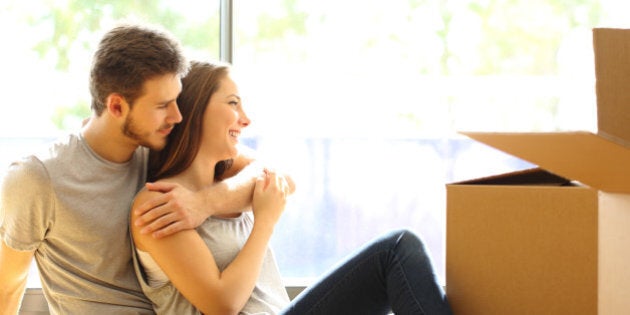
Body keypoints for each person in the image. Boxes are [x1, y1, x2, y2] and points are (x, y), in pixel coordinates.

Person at [130, 60, 453, 315]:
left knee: (397, 252)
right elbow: (221, 304)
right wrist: (264, 223)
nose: (245, 119)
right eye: (233, 103)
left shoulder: (227, 175)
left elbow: (283, 178)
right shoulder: (158, 203)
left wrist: (206, 203)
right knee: (395, 250)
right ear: (196, 110)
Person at [0, 24, 261, 315]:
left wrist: (205, 203)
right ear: (116, 106)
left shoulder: (159, 143)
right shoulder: (37, 178)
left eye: (177, 100)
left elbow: (268, 175)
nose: (177, 116)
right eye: (163, 105)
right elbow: (8, 285)